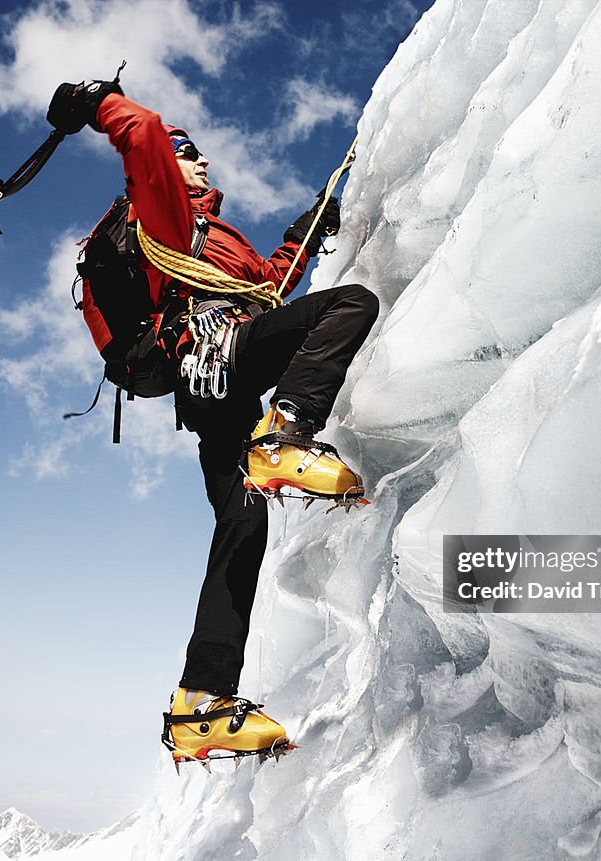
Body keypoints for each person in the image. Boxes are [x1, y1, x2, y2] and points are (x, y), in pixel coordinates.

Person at [47, 76, 379, 767]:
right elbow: (142, 134)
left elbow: (268, 290)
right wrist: (94, 102)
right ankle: (287, 432)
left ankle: (201, 700)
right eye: (189, 153)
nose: (201, 161)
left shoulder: (217, 237)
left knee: (243, 523)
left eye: (194, 155)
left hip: (214, 387)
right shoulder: (166, 212)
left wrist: (304, 233)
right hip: (217, 357)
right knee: (350, 305)